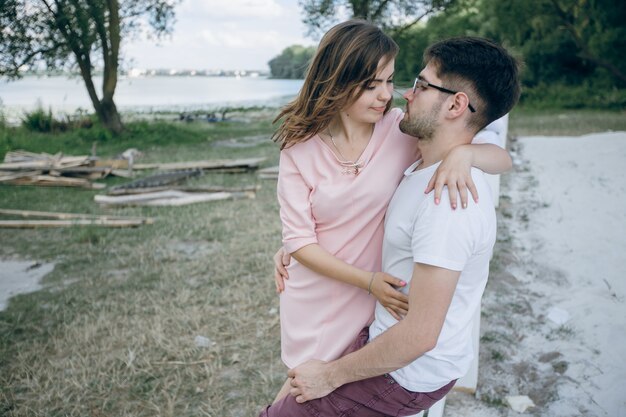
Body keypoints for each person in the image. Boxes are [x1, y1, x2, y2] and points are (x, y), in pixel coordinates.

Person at [259, 35, 521, 416]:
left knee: (300, 396)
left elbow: (498, 154)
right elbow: (303, 233)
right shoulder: (303, 148)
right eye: (372, 85)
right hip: (328, 289)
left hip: (382, 303)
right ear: (337, 82)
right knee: (298, 382)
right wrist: (295, 246)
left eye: (396, 82)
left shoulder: (402, 137)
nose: (393, 95)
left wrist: (466, 154)